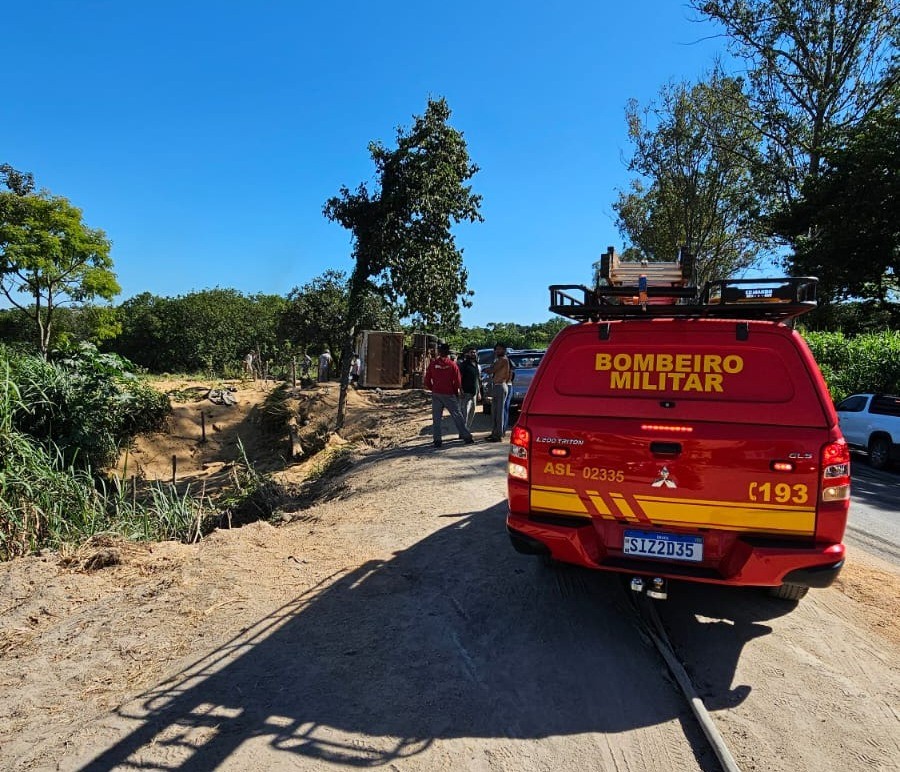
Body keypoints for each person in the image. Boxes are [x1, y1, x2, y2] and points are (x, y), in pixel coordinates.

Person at [424, 343, 475, 448]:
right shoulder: (452, 365)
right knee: (457, 416)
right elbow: (458, 381)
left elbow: (427, 379)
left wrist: (433, 389)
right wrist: (455, 392)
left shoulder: (433, 364)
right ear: (448, 353)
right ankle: (467, 437)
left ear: (439, 352)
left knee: (436, 418)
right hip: (449, 394)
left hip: (436, 394)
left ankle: (437, 440)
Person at [485, 343, 513, 442]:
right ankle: (494, 433)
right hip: (496, 386)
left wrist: (488, 369)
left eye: (500, 349)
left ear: (504, 350)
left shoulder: (504, 360)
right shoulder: (498, 360)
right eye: (496, 349)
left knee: (500, 412)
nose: (498, 351)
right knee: (495, 411)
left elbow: (491, 370)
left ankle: (499, 435)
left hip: (501, 386)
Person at [458, 346, 481, 431]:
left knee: (472, 412)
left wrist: (479, 392)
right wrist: (460, 390)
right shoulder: (463, 365)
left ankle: (467, 429)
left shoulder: (476, 365)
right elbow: (459, 378)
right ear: (468, 354)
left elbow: (477, 379)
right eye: (471, 352)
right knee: (465, 413)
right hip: (466, 393)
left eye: (474, 352)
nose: (473, 354)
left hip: (474, 393)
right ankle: (463, 432)